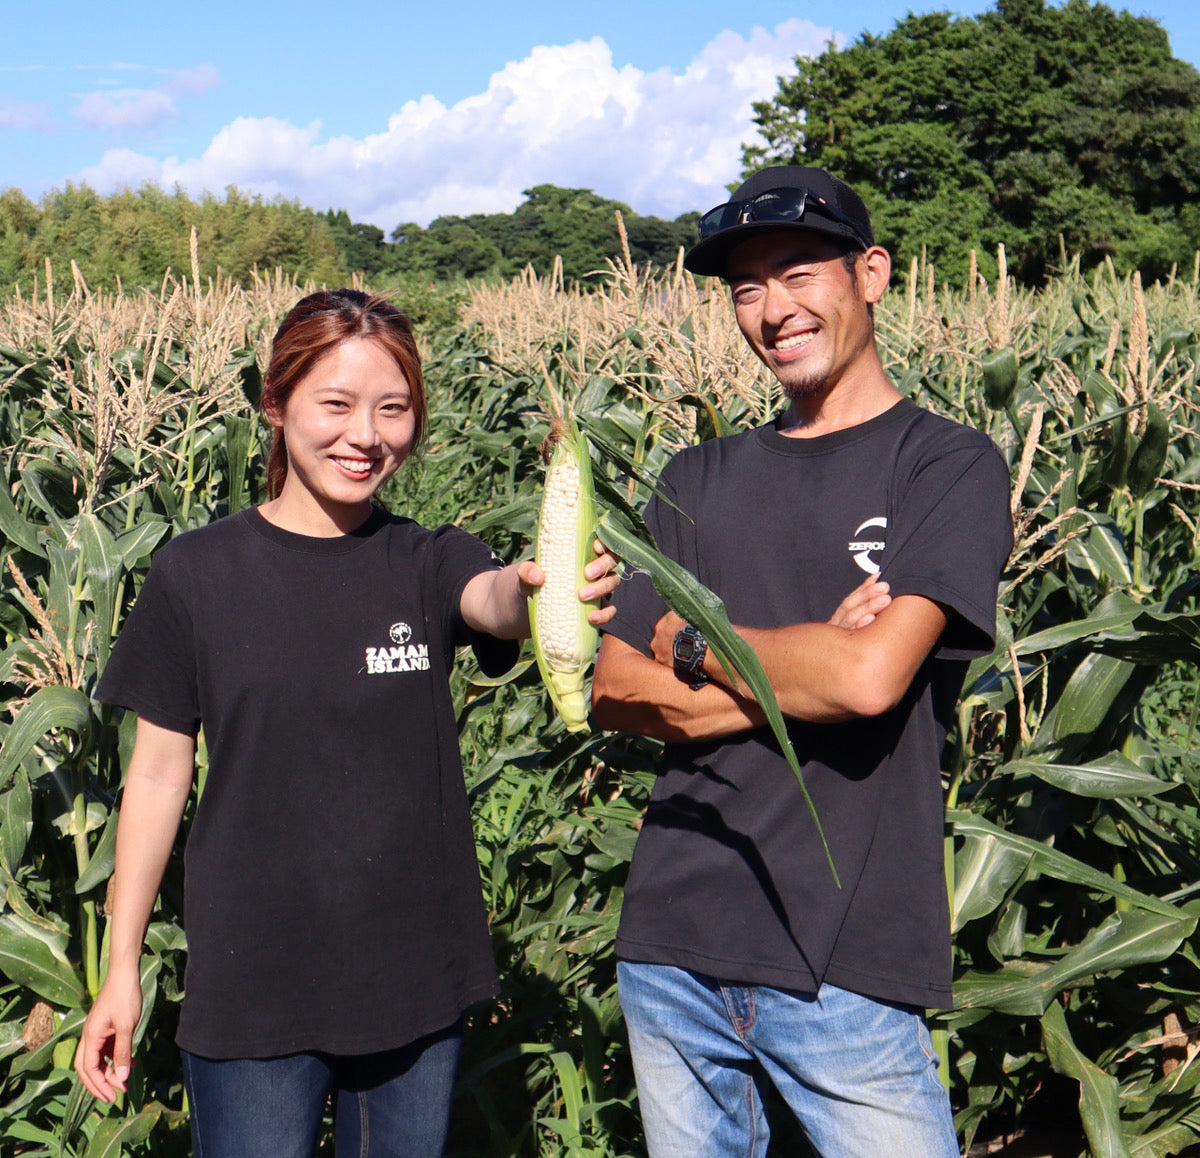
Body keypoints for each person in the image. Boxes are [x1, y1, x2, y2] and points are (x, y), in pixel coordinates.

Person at [75, 289, 620, 1157]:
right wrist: (120, 973)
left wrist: (543, 584)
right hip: (253, 980)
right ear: (276, 403)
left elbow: (492, 600)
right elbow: (157, 777)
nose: (365, 436)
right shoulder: (196, 574)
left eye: (392, 409)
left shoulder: (427, 558)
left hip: (413, 975)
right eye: (336, 404)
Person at [591, 167, 1013, 1157]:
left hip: (846, 962)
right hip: (673, 945)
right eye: (746, 287)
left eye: (797, 273)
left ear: (871, 274)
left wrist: (696, 648)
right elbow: (614, 688)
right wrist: (811, 665)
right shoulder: (695, 478)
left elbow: (872, 681)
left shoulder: (944, 465)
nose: (773, 310)